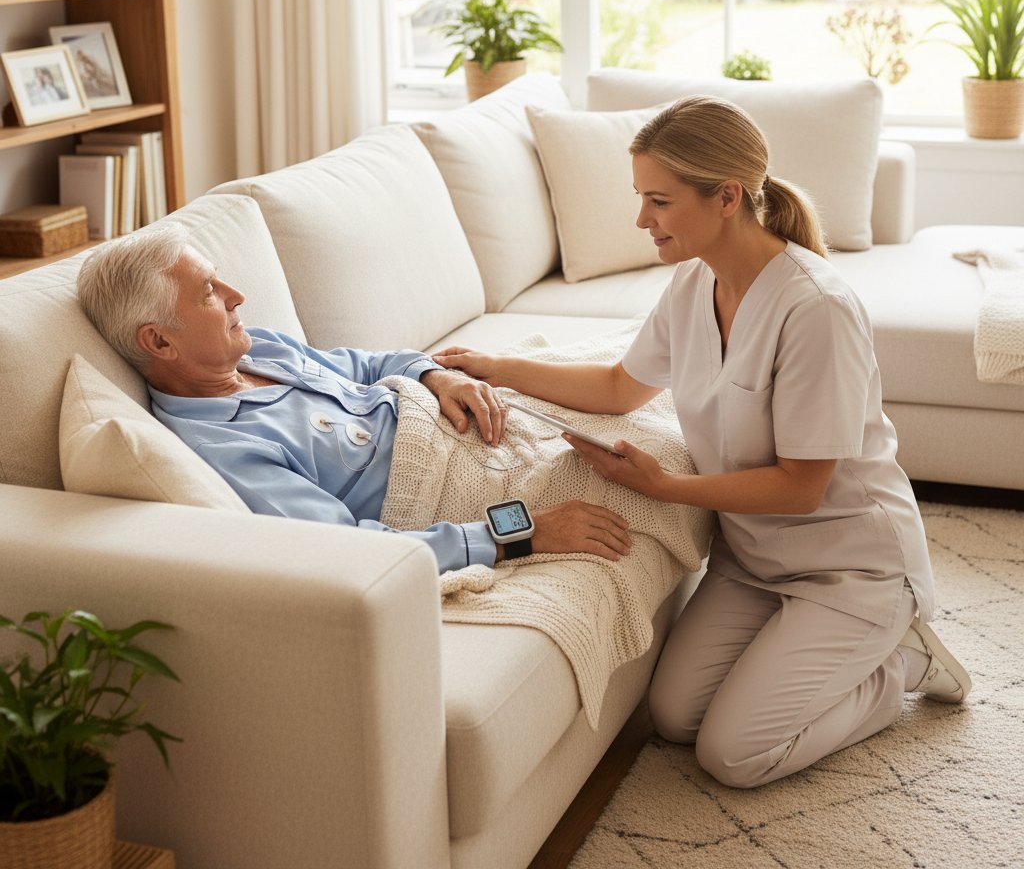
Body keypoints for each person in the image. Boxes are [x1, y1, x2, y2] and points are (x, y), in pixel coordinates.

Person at [432, 94, 971, 789]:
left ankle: (905, 662)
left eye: (658, 200)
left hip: (851, 566)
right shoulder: (695, 282)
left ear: (726, 197)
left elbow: (801, 487)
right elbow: (622, 387)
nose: (640, 220)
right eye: (639, 198)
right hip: (752, 561)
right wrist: (499, 368)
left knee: (735, 754)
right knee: (675, 717)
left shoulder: (817, 310)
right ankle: (841, 656)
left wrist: (664, 487)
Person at [75, 225, 631, 575]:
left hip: (456, 415)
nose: (236, 296)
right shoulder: (224, 449)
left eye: (219, 281)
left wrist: (439, 379)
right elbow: (350, 549)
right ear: (159, 341)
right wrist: (525, 530)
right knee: (638, 470)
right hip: (456, 484)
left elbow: (368, 364)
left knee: (634, 395)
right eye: (208, 293)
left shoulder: (255, 348)